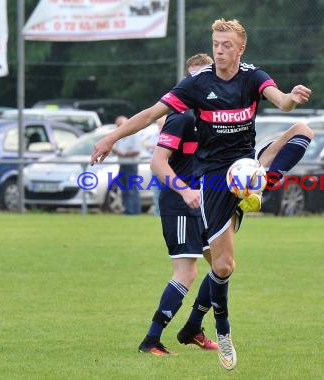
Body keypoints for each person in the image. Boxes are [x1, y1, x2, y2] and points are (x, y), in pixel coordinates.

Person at [91, 18, 313, 370]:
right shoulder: (197, 85)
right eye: (216, 44)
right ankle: (220, 329)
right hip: (212, 180)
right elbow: (151, 114)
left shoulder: (253, 77)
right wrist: (110, 138)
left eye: (226, 45)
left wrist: (291, 98)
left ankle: (259, 184)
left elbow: (282, 102)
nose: (219, 51)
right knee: (223, 265)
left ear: (240, 49)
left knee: (302, 130)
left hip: (243, 166)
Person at [138, 53, 219, 356]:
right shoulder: (181, 117)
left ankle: (194, 326)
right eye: (193, 77)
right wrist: (185, 192)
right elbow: (157, 163)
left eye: (204, 75)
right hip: (180, 202)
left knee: (223, 266)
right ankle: (151, 340)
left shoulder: (212, 119)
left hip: (204, 202)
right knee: (186, 272)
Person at [112, 115, 141, 215]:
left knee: (131, 188)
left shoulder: (134, 134)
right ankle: (128, 210)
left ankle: (134, 211)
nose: (118, 127)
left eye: (119, 125)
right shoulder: (121, 136)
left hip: (131, 165)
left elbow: (137, 151)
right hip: (122, 164)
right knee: (124, 188)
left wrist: (123, 154)